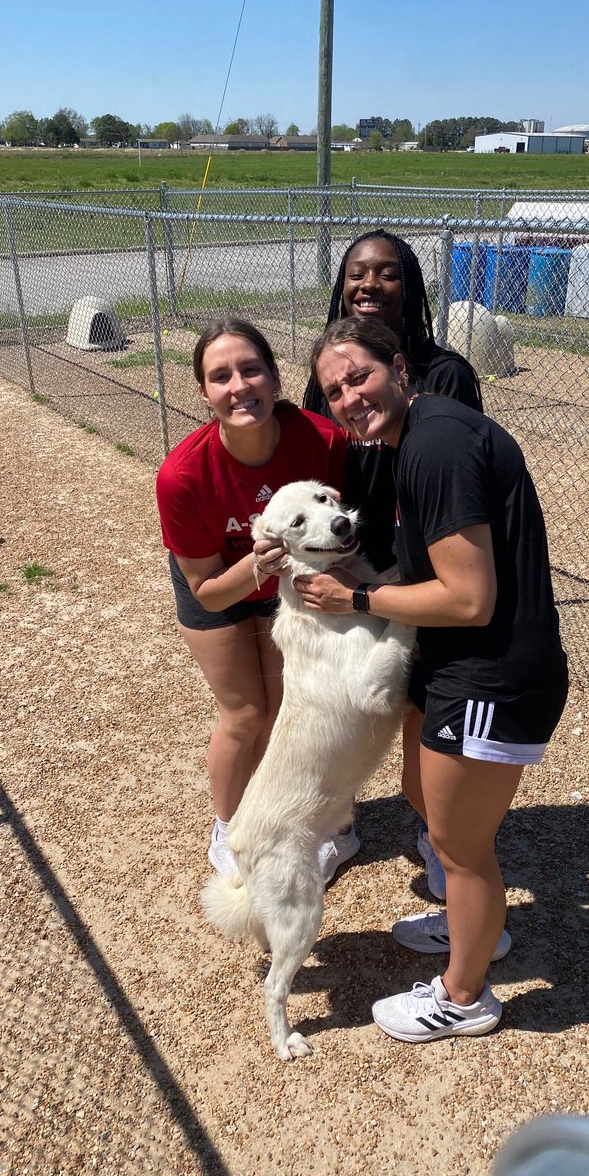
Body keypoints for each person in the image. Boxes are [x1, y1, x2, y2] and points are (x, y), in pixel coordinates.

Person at [298, 316, 568, 1044]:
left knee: (459, 846)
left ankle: (465, 996)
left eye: (360, 376)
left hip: (494, 671)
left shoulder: (437, 445)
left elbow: (467, 598)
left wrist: (354, 599)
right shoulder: (419, 438)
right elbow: (433, 576)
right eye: (335, 390)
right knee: (423, 795)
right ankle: (468, 929)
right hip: (457, 663)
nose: (351, 397)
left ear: (399, 369)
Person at [155, 318, 358, 882]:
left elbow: (339, 525)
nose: (239, 386)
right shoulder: (182, 475)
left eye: (250, 369)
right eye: (220, 377)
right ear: (203, 392)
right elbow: (208, 590)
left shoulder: (320, 439)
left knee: (290, 709)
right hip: (221, 583)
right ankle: (229, 825)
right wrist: (258, 563)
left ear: (273, 376)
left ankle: (295, 818)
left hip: (288, 583)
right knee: (244, 714)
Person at [301, 229, 483, 573]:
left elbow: (459, 482)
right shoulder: (332, 378)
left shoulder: (443, 375)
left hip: (422, 559)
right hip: (348, 552)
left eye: (387, 275)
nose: (368, 284)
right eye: (356, 275)